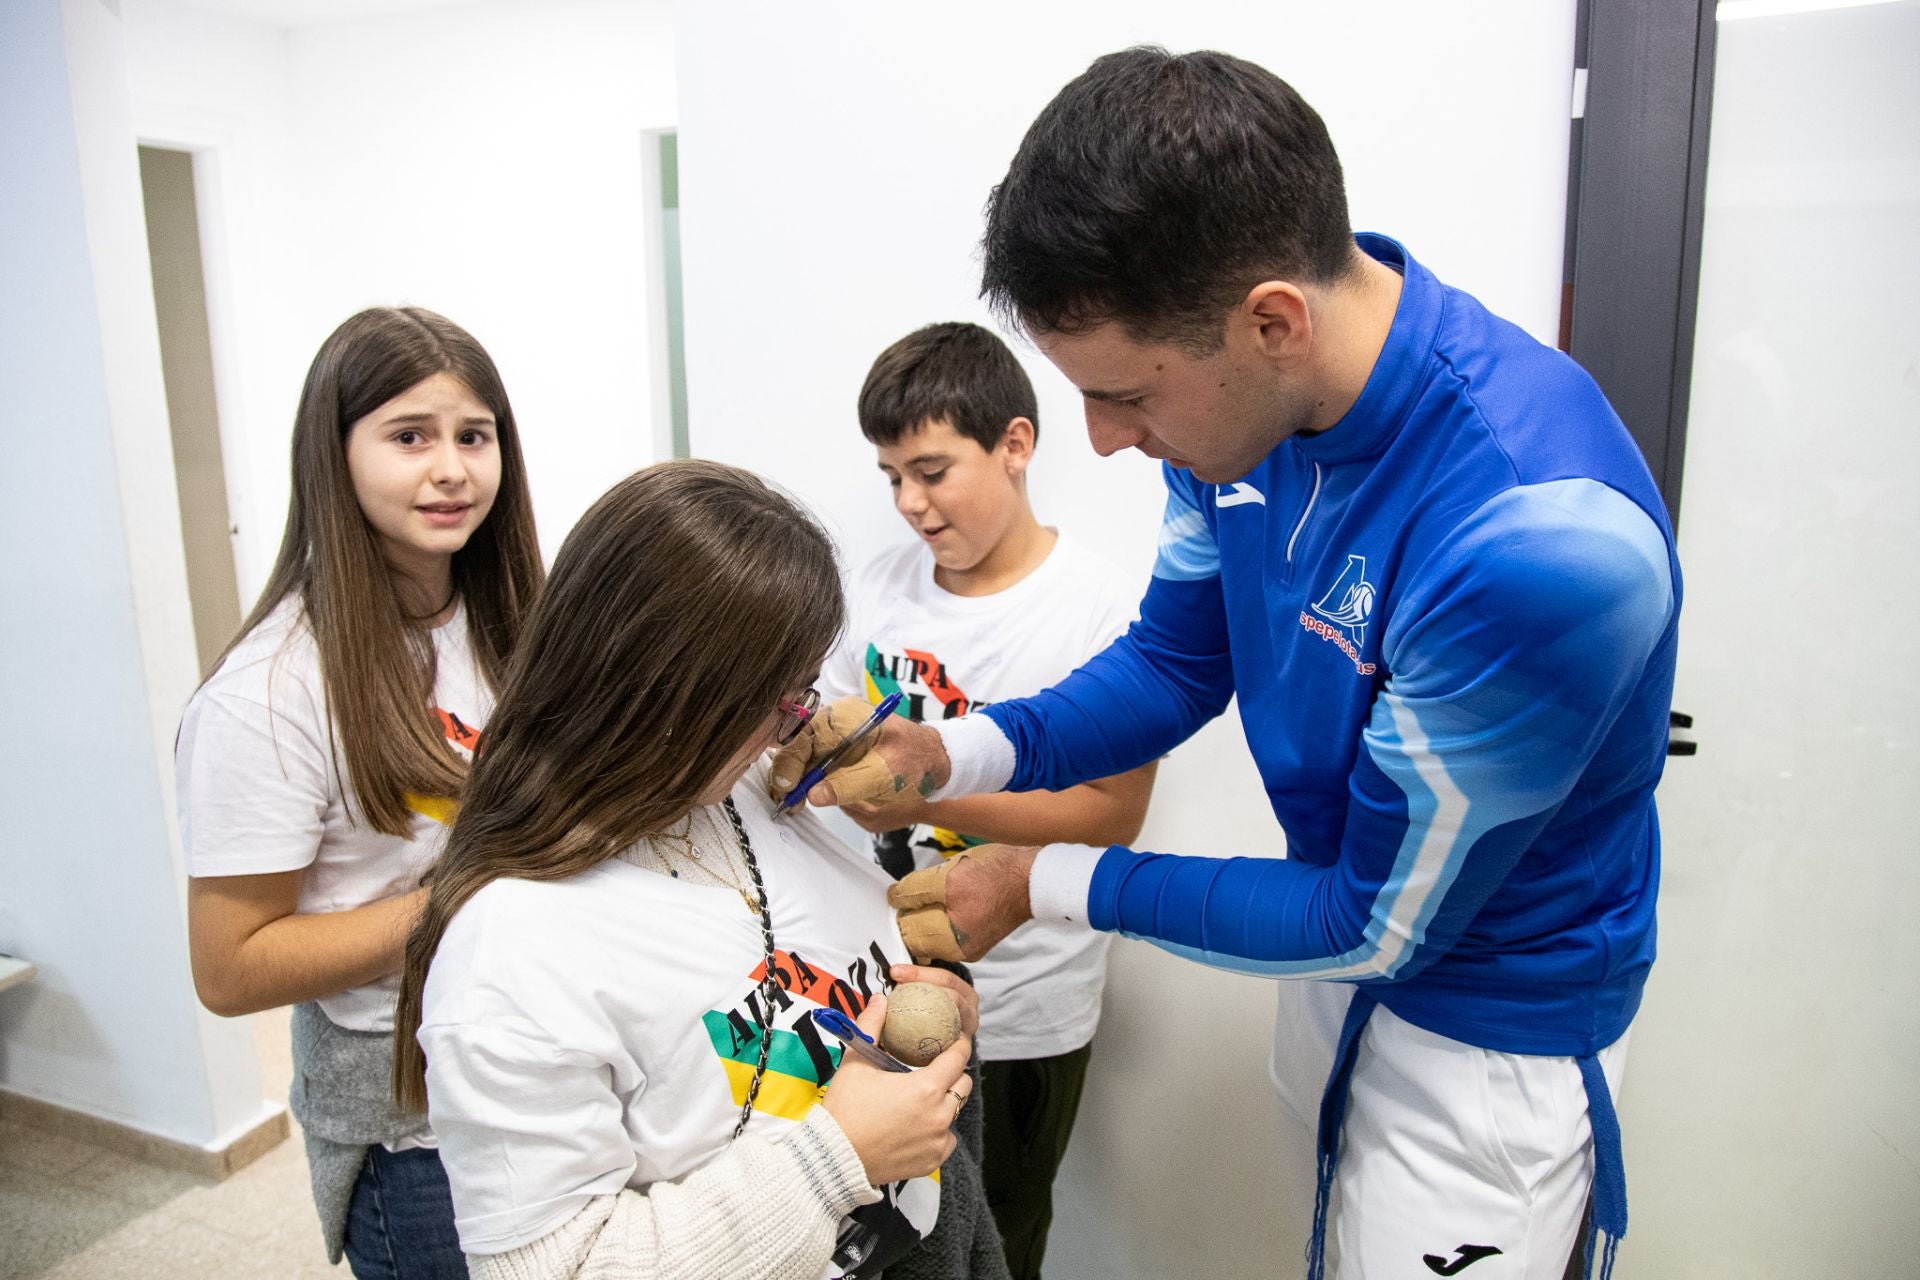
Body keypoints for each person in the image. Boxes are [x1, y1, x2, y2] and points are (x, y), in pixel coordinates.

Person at [770, 47, 1681, 1280]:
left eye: (1126, 394)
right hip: (1341, 954)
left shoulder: (1536, 539)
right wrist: (949, 750)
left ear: (1272, 320)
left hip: (1488, 1028)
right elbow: (1170, 665)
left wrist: (1043, 882)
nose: (1104, 438)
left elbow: (1375, 920)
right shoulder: (1244, 414)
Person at [391, 460, 1010, 1280]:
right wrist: (835, 1157)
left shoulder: (743, 790)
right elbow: (558, 1268)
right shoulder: (510, 953)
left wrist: (923, 1015)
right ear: (671, 695)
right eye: (781, 697)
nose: (798, 722)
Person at [177, 306, 544, 1275]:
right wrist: (457, 902)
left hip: (541, 1061)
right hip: (412, 1125)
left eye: (475, 435)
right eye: (410, 436)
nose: (452, 468)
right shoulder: (271, 690)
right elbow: (230, 966)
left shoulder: (510, 618)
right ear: (333, 456)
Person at [813, 320, 1156, 1279]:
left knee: (998, 1242)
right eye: (890, 477)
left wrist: (916, 797)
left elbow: (1108, 814)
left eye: (930, 470)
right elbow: (832, 748)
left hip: (1028, 1000)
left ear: (1015, 445)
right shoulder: (874, 589)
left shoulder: (1101, 607)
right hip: (873, 986)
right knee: (884, 1245)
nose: (910, 503)